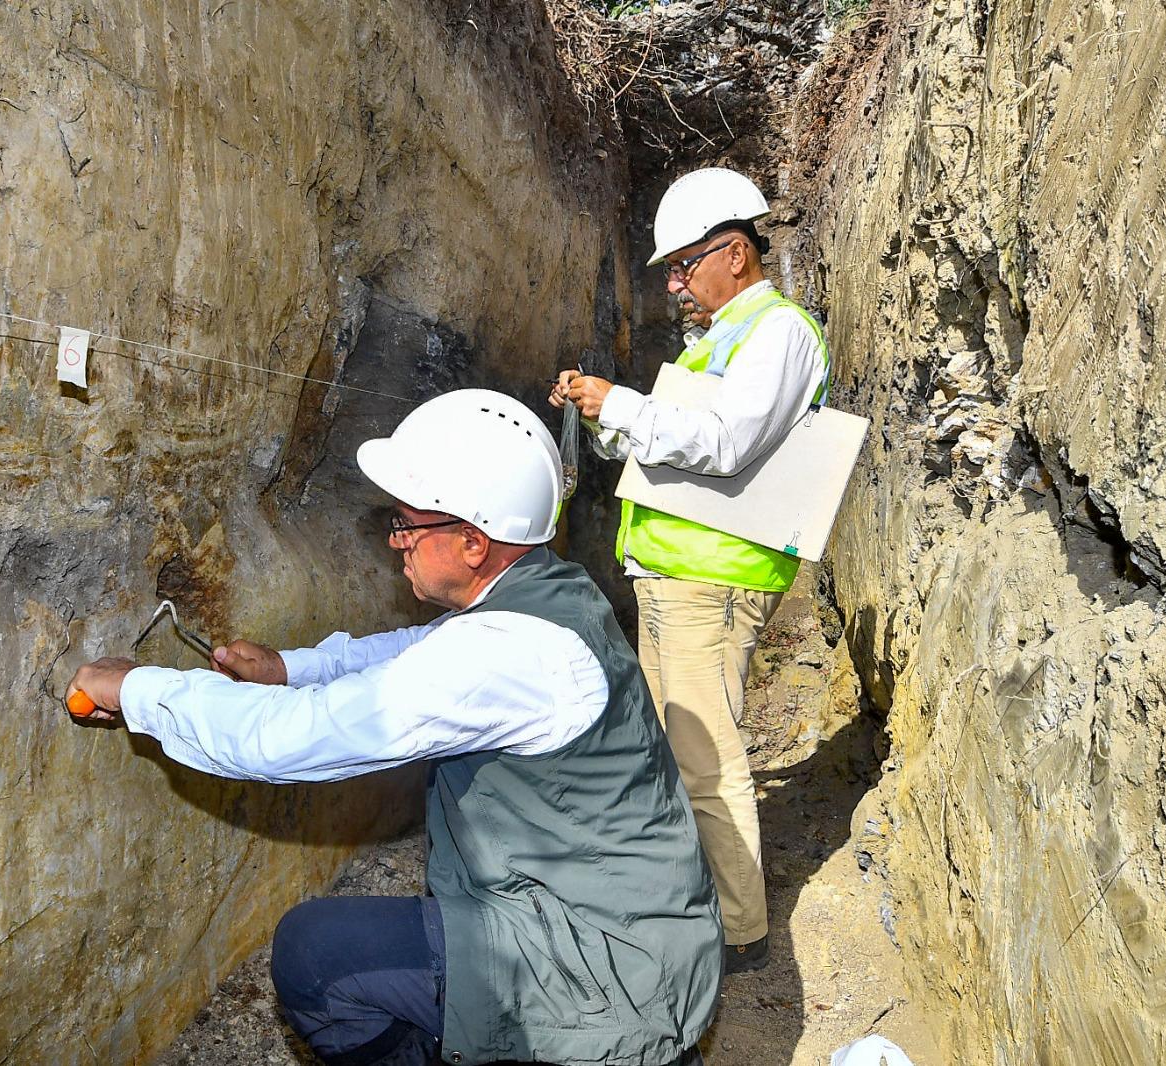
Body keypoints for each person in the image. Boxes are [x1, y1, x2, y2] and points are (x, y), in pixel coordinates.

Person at [67, 389, 721, 1066]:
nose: (394, 541)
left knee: (317, 959)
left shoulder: (511, 654)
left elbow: (291, 739)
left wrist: (137, 687)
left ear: (472, 543)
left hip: (613, 970)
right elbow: (414, 653)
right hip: (628, 936)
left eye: (408, 524)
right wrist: (290, 667)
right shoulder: (545, 591)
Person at [550, 167, 829, 974]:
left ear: (734, 253)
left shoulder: (777, 332)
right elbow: (676, 448)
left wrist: (624, 406)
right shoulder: (717, 343)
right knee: (681, 751)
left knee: (707, 759)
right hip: (677, 575)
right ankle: (699, 896)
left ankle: (740, 932)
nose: (674, 283)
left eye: (683, 264)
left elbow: (728, 444)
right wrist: (604, 420)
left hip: (714, 579)